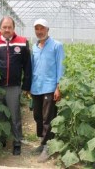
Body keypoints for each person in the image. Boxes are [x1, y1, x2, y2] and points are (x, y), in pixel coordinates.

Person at [0, 16, 32, 156]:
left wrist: (26, 85)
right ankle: (2, 139)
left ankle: (17, 142)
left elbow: (27, 65)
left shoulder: (23, 43)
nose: (7, 30)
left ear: (13, 28)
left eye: (9, 27)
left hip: (14, 86)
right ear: (0, 28)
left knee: (14, 115)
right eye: (4, 27)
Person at [30, 18, 64, 163]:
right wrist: (29, 86)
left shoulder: (57, 46)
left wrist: (58, 86)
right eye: (37, 29)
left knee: (47, 118)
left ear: (47, 30)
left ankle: (47, 146)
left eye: (42, 28)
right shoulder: (34, 47)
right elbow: (32, 67)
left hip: (50, 87)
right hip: (36, 87)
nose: (39, 31)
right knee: (37, 116)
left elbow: (61, 66)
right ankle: (42, 142)